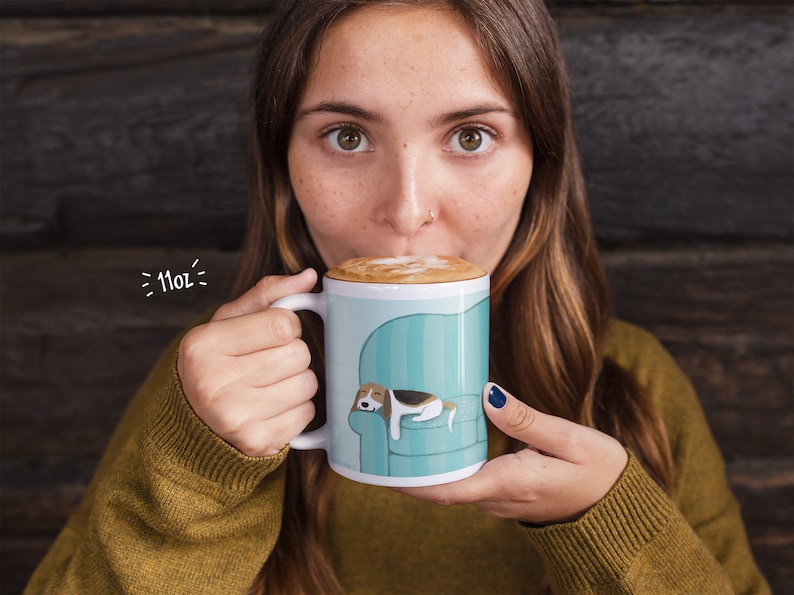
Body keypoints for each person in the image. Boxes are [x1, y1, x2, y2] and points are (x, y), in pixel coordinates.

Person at [27, 1, 769, 593]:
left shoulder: (633, 387)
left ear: (538, 166)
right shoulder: (212, 392)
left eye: (472, 137)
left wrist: (612, 528)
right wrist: (199, 469)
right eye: (347, 136)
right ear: (283, 166)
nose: (407, 209)